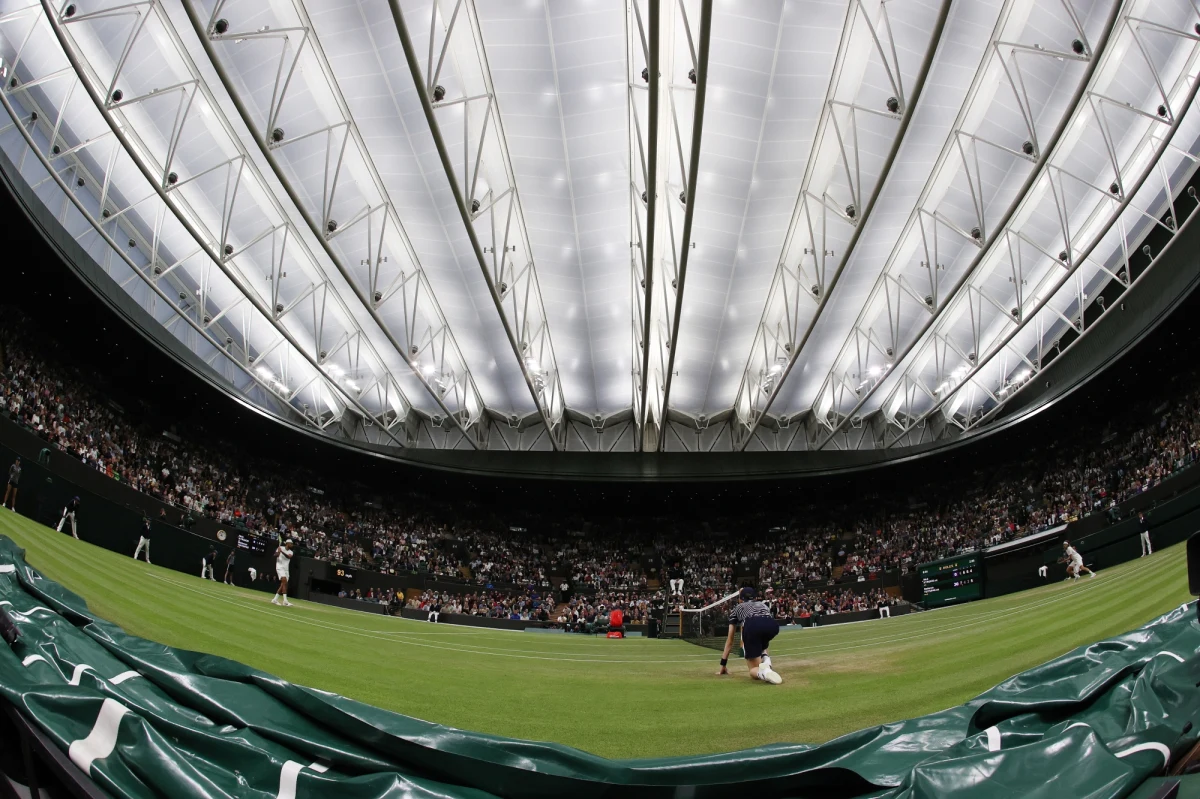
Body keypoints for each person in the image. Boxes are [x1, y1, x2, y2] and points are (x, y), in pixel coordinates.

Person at [717, 587, 782, 684]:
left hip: (752, 624)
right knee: (762, 640)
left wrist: (723, 664)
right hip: (773, 625)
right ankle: (767, 662)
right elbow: (763, 624)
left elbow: (730, 640)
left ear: (740, 599)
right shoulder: (763, 605)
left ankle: (764, 672)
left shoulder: (737, 609)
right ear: (755, 597)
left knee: (753, 670)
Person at [272, 539, 294, 606]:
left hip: (286, 569)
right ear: (287, 543)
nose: (292, 545)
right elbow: (275, 555)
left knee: (283, 584)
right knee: (284, 581)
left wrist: (281, 552)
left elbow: (289, 557)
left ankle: (275, 600)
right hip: (279, 567)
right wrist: (278, 552)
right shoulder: (280, 548)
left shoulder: (291, 552)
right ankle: (285, 601)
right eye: (291, 544)